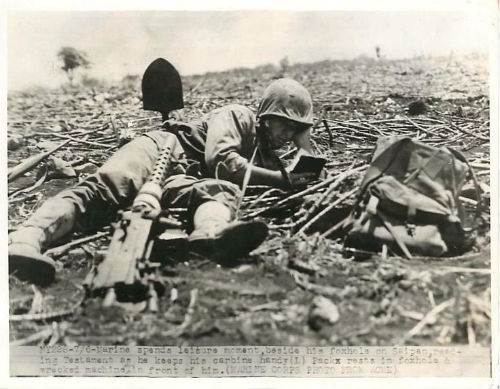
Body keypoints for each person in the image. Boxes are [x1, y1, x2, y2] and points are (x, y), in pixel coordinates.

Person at [8, 78, 319, 286]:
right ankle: (27, 240)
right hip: (163, 149)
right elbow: (223, 162)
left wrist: (304, 148)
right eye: (285, 124)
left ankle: (209, 238)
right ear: (266, 115)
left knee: (220, 192)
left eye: (296, 130)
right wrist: (282, 179)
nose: (287, 136)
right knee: (104, 190)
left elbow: (301, 176)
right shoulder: (238, 116)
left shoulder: (267, 157)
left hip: (185, 177)